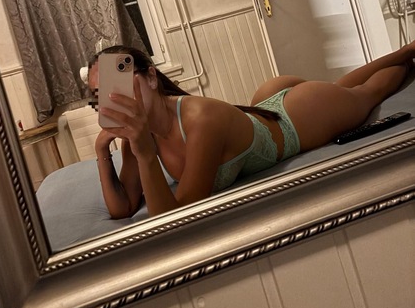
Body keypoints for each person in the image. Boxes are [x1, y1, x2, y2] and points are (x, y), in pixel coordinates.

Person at [88, 41, 415, 219]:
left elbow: (176, 220)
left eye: (120, 84)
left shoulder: (200, 120)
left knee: (367, 95)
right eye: (102, 94)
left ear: (150, 77)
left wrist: (146, 154)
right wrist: (103, 151)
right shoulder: (138, 136)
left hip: (296, 119)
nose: (115, 99)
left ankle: (406, 54)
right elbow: (123, 208)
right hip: (263, 107)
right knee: (340, 88)